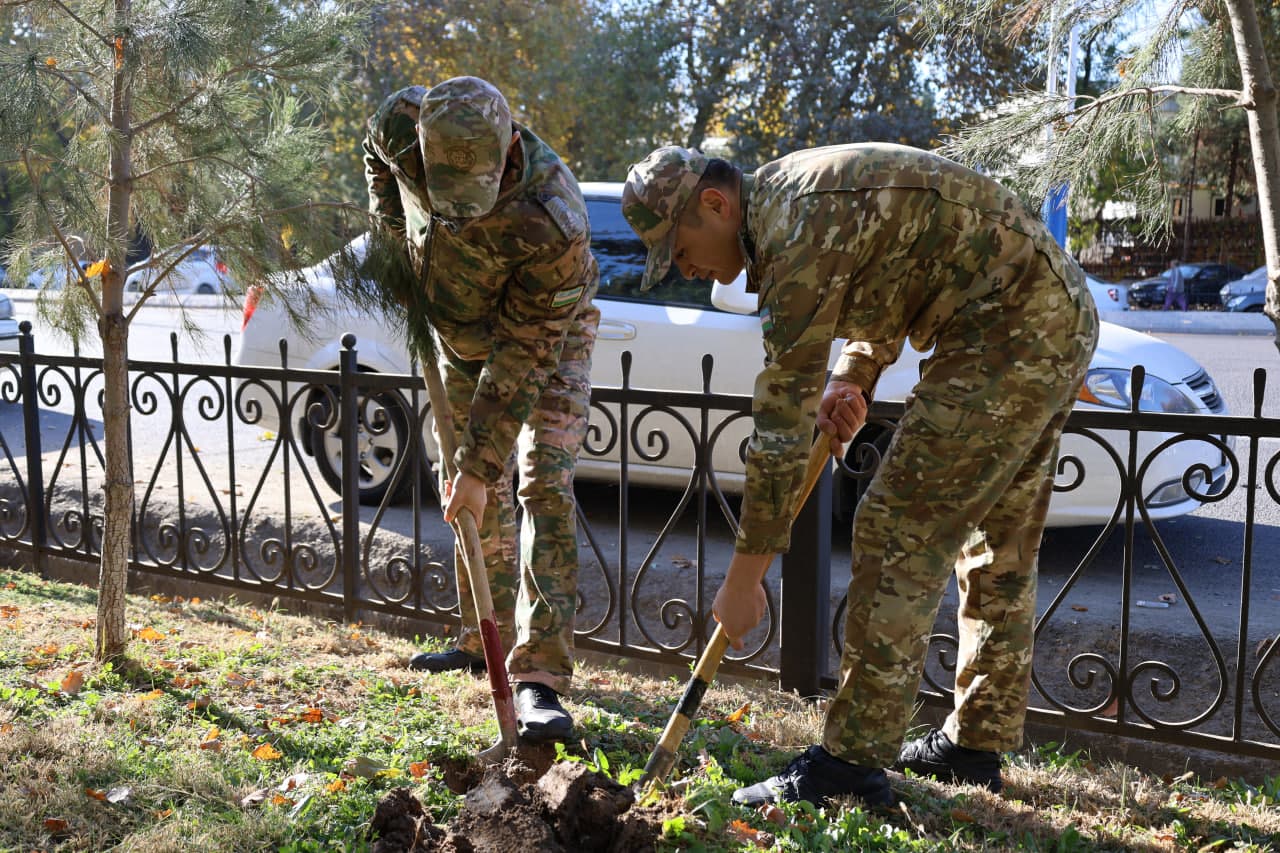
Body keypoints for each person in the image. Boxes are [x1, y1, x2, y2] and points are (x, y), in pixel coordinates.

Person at [622, 144, 1099, 806]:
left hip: (1008, 327)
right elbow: (901, 266)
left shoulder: (794, 227)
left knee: (896, 525)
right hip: (1047, 314)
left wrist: (743, 578)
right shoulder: (793, 206)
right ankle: (974, 745)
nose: (684, 267)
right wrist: (854, 372)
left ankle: (846, 767)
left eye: (678, 247)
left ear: (714, 203)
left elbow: (781, 426)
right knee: (997, 544)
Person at [363, 76, 600, 742]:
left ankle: (540, 679)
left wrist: (479, 457)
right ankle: (479, 641)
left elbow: (523, 358)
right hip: (454, 331)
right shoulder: (399, 124)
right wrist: (393, 237)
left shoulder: (554, 221)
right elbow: (376, 160)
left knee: (539, 478)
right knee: (474, 494)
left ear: (510, 148)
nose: (462, 216)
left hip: (542, 343)